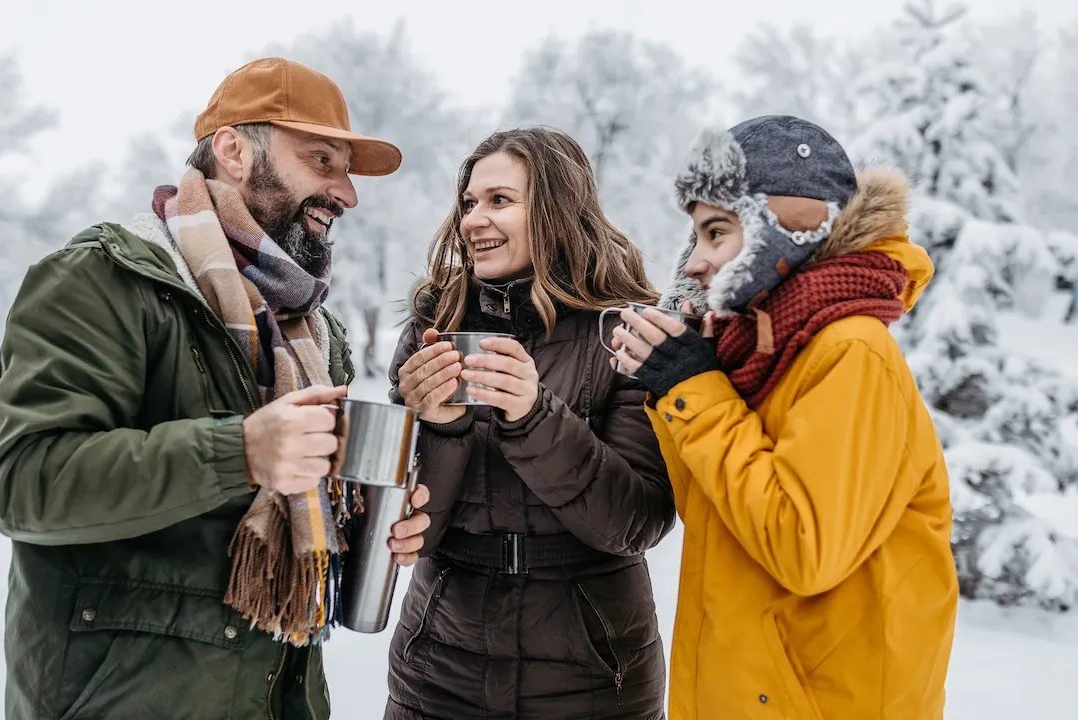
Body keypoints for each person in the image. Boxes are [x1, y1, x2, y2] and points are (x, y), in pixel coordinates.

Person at [0, 57, 431, 720]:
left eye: (347, 170)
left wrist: (365, 516)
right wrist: (241, 452)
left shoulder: (313, 332)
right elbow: (24, 485)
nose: (347, 194)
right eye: (322, 160)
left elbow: (285, 512)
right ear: (233, 151)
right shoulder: (103, 281)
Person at [611, 115, 958, 719]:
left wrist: (695, 391)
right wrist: (677, 385)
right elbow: (718, 518)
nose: (693, 264)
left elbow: (803, 548)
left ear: (786, 230)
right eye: (693, 238)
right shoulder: (763, 355)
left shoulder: (849, 350)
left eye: (715, 234)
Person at [381, 127, 676, 720]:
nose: (473, 219)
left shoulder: (626, 334)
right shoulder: (433, 327)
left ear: (556, 211)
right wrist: (437, 426)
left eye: (499, 200)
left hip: (592, 676)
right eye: (468, 202)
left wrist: (534, 416)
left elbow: (636, 521)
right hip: (441, 669)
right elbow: (409, 532)